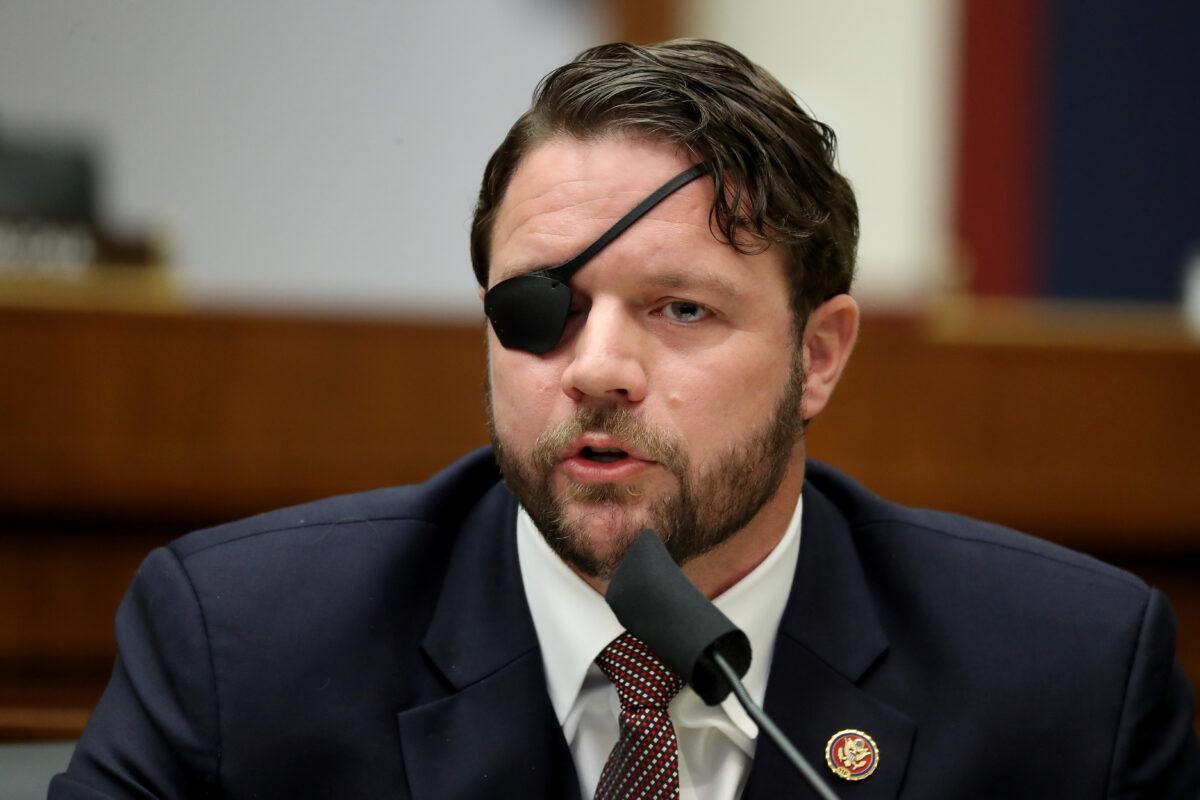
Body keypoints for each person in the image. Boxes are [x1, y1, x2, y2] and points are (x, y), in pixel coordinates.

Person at [51, 39, 1198, 799]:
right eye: (542, 307)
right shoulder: (241, 651)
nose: (598, 369)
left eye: (681, 307)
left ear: (820, 353)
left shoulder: (1067, 682)